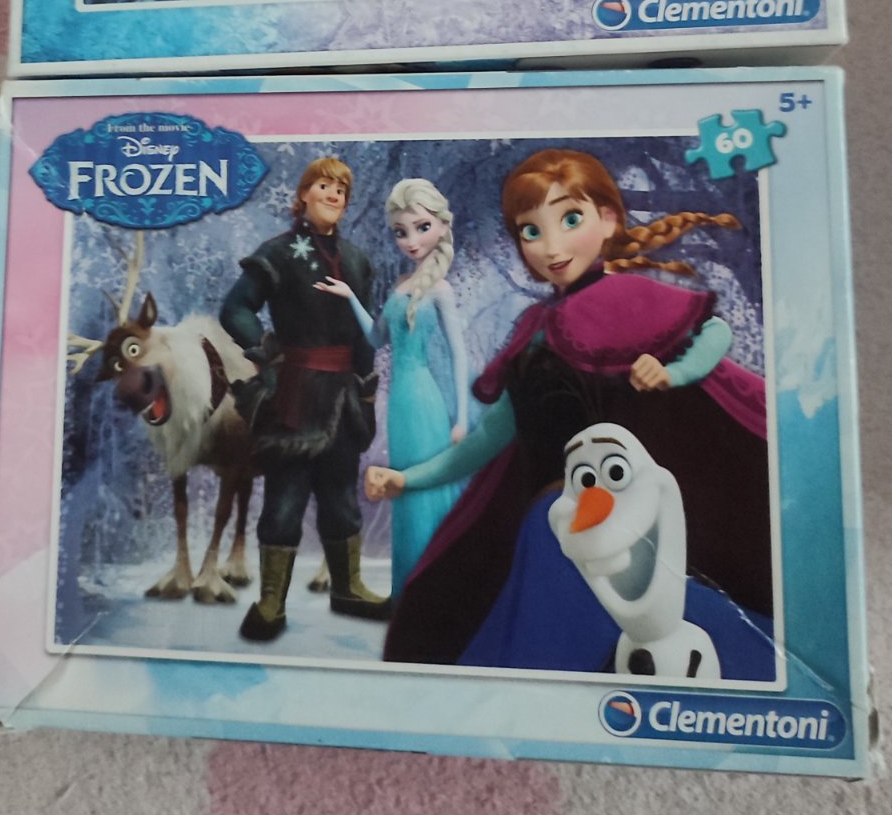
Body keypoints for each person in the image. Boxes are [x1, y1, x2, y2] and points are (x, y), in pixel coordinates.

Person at [366, 148, 773, 676]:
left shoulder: (630, 299)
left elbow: (714, 331)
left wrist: (677, 372)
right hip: (558, 517)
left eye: (571, 220)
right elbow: (492, 436)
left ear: (609, 219)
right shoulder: (533, 334)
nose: (551, 247)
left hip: (622, 513)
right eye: (531, 231)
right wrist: (408, 478)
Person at [219, 156, 390, 642]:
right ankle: (271, 603)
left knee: (341, 499)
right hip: (293, 396)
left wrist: (365, 387)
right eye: (324, 185)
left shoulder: (358, 261)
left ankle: (349, 588)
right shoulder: (277, 253)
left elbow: (366, 335)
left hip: (344, 400)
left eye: (341, 189)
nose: (333, 194)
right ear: (303, 195)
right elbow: (235, 308)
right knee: (285, 500)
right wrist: (266, 351)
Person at [315, 179, 470, 596]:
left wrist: (462, 419)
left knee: (423, 487)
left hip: (423, 400)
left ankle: (435, 592)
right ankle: (407, 591)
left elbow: (459, 355)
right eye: (401, 232)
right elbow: (376, 338)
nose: (411, 241)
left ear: (442, 226)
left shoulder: (440, 290)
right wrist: (350, 296)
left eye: (422, 228)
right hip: (402, 402)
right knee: (403, 489)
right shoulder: (401, 285)